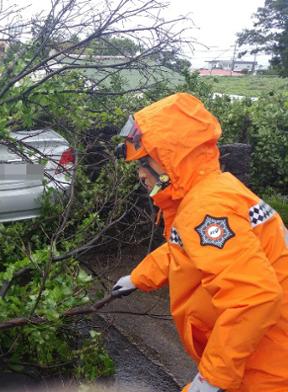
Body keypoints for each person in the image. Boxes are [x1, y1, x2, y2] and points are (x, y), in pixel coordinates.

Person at [112, 92, 288, 392]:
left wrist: (211, 379)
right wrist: (138, 278)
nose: (140, 173)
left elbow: (253, 298)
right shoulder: (210, 191)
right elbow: (185, 251)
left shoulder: (206, 207)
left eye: (145, 161)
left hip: (264, 367)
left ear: (172, 156)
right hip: (256, 351)